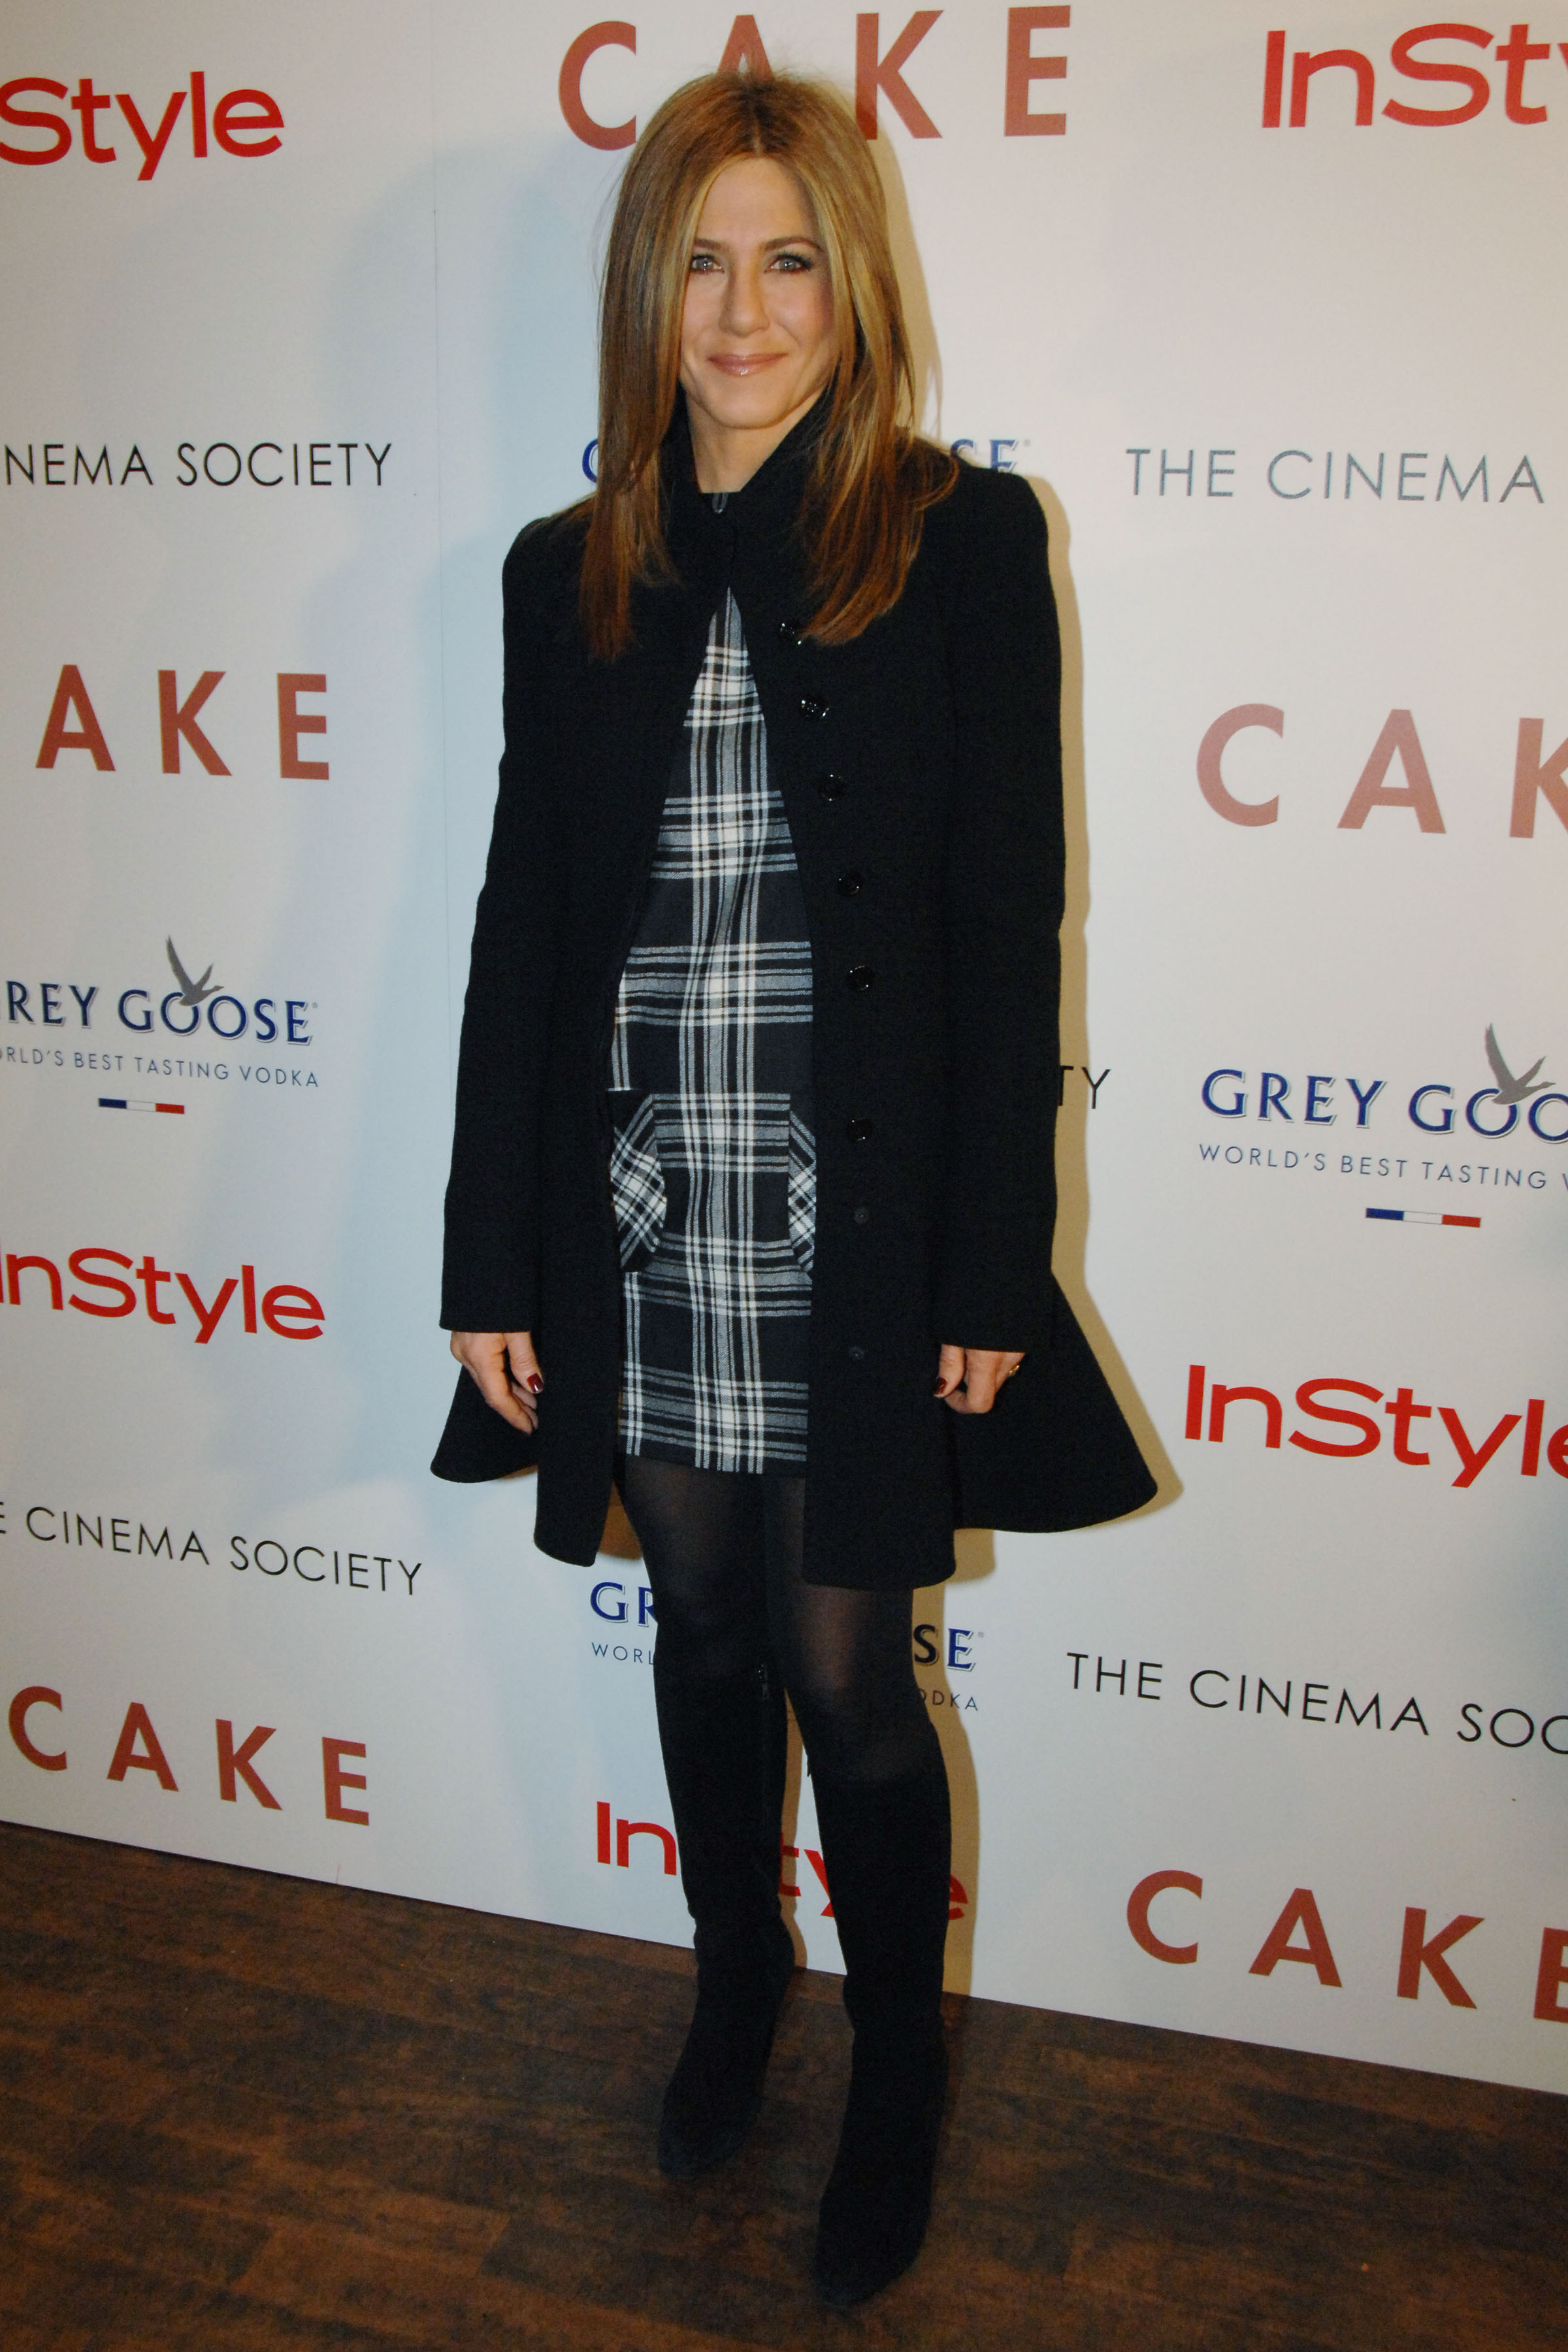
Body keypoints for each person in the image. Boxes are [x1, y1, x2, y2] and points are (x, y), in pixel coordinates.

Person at [434, 69, 1153, 2307]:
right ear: (646, 294)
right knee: (705, 1629)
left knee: (852, 1675)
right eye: (702, 263)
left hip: (858, 1221)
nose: (744, 313)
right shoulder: (568, 571)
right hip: (641, 1202)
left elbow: (1008, 921)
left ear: (856, 286)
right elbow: (523, 927)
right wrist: (488, 1249)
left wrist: (990, 1265)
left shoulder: (960, 537)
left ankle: (900, 2069)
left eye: (791, 260)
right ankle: (735, 1974)